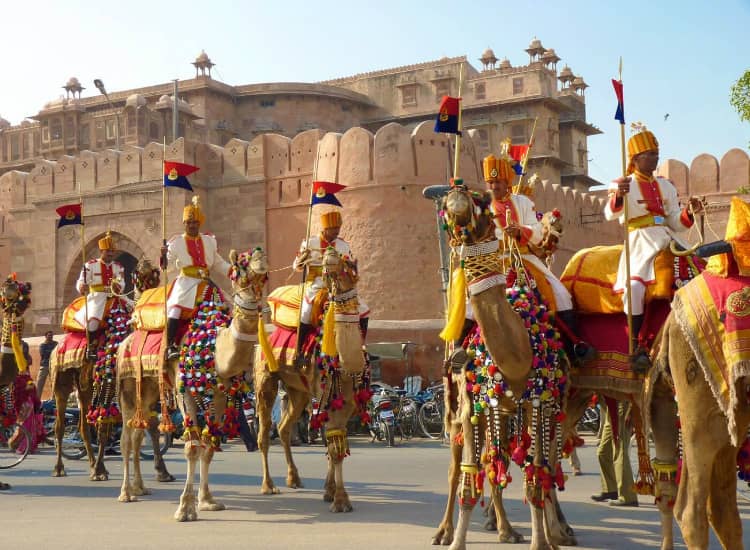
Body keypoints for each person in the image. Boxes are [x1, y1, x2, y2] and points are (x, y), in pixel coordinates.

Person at [449, 154, 594, 369]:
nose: (494, 186)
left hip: (525, 259)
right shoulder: (481, 206)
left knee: (561, 295)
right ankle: (459, 350)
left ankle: (574, 348)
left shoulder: (523, 203)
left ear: (508, 182)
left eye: (498, 182)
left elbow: (537, 231)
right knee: (471, 303)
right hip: (493, 263)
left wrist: (520, 230)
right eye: (491, 182)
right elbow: (469, 234)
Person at [604, 124, 704, 371]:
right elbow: (609, 213)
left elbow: (674, 221)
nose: (655, 157)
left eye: (657, 153)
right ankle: (636, 345)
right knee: (635, 287)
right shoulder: (623, 183)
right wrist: (618, 195)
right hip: (640, 241)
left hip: (668, 238)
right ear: (636, 158)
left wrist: (689, 212)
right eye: (650, 153)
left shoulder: (666, 186)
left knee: (701, 271)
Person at [292, 210, 369, 361]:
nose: (337, 232)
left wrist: (352, 267)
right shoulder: (309, 243)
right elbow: (296, 267)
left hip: (338, 285)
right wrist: (301, 259)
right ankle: (300, 351)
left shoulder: (342, 245)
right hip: (317, 285)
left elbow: (350, 267)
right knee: (306, 312)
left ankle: (360, 346)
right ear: (325, 229)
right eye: (334, 230)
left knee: (364, 310)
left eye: (338, 229)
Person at [161, 195, 232, 360]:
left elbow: (218, 263)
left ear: (199, 223)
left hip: (205, 283)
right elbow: (165, 265)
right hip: (185, 284)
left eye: (195, 223)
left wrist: (234, 271)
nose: (192, 226)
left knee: (227, 307)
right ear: (184, 224)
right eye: (189, 223)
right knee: (175, 310)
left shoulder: (209, 241)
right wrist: (163, 255)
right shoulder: (176, 242)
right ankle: (171, 346)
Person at [74, 231, 125, 361]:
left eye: (112, 251)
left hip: (114, 298)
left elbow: (122, 283)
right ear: (101, 251)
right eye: (108, 251)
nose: (110, 254)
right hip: (97, 298)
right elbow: (80, 281)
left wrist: (118, 286)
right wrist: (82, 287)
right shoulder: (90, 265)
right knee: (93, 323)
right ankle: (91, 348)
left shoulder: (118, 267)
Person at [591, 400, 638, 507]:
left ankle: (628, 496)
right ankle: (610, 490)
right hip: (609, 407)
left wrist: (631, 409)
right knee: (603, 453)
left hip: (623, 405)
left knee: (619, 453)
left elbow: (638, 383)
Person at [36, 331, 57, 399]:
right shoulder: (42, 345)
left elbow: (57, 352)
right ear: (46, 336)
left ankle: (53, 399)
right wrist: (52, 352)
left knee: (54, 383)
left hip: (53, 365)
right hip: (44, 365)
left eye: (51, 335)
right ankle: (37, 398)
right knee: (40, 383)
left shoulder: (56, 343)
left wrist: (50, 353)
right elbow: (43, 354)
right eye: (49, 335)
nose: (50, 337)